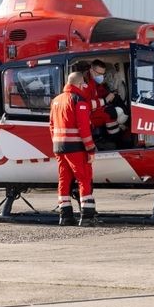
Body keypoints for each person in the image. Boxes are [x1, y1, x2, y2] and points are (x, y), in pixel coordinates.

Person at [50, 70, 98, 226]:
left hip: (59, 147)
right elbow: (83, 128)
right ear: (78, 84)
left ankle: (65, 216)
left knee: (64, 180)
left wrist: (57, 142)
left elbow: (51, 125)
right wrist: (90, 149)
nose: (85, 86)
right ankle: (88, 217)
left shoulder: (56, 100)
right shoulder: (78, 100)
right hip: (76, 147)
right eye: (83, 83)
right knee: (84, 178)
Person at [74, 60, 130, 149]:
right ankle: (117, 142)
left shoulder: (93, 81)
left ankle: (121, 135)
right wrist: (105, 100)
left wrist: (110, 94)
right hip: (89, 114)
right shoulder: (85, 83)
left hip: (96, 109)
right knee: (110, 113)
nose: (101, 76)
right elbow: (87, 104)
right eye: (99, 73)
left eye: (103, 74)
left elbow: (100, 91)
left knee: (116, 102)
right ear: (91, 70)